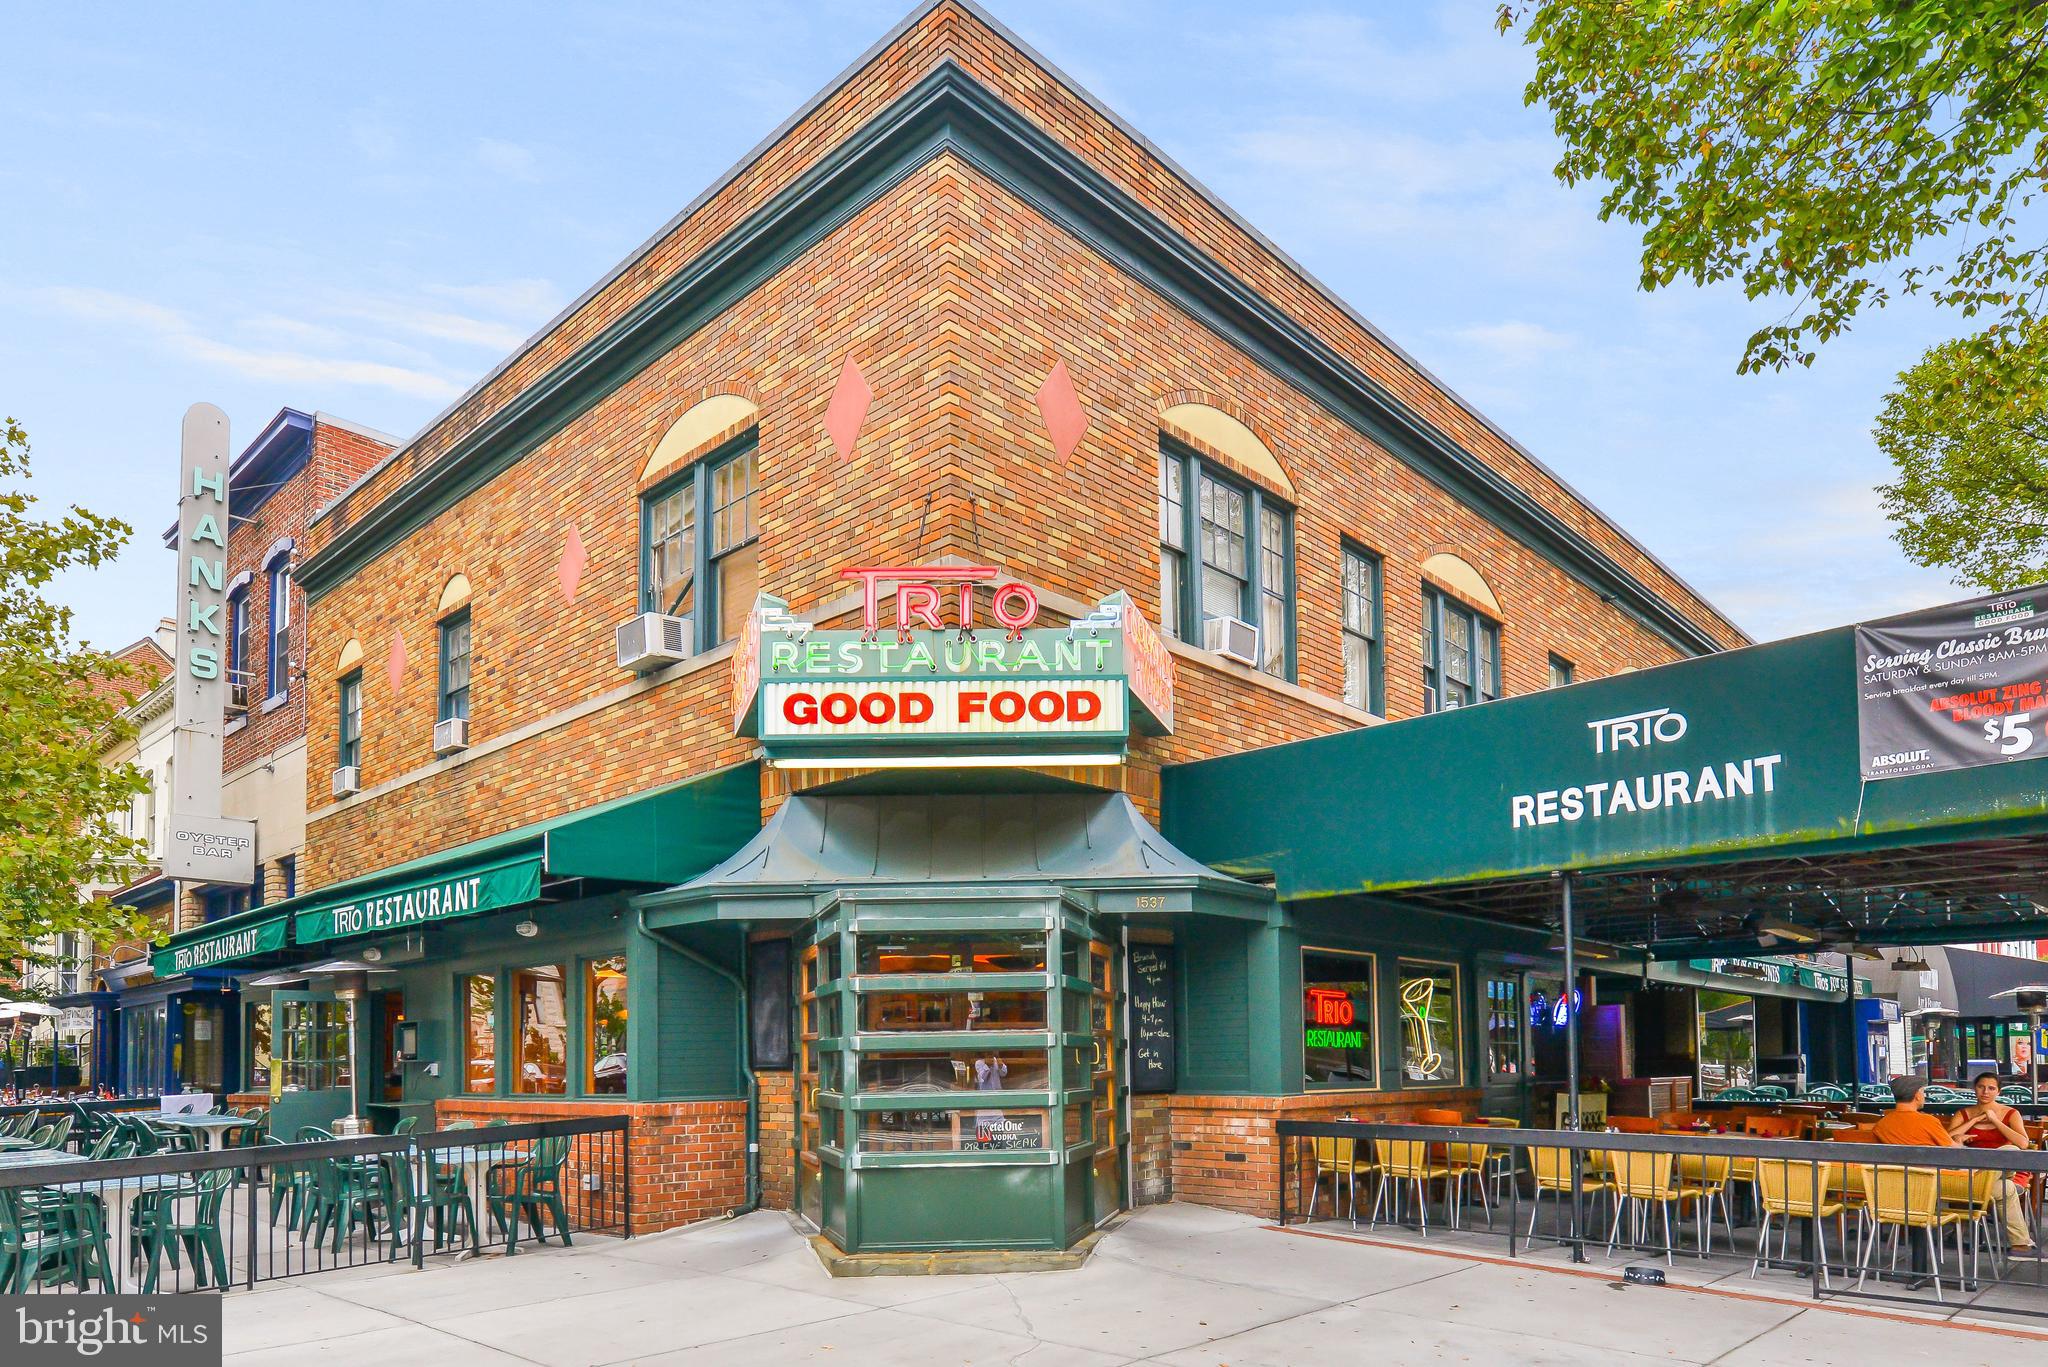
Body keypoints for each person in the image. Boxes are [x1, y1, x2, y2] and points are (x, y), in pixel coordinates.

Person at [1875, 1074, 2037, 1256]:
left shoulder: (1881, 1125)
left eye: (1991, 1088)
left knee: (2005, 1188)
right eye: (1923, 1092)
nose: (1925, 1096)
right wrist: (1960, 1142)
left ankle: (2021, 1245)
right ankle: (2004, 1176)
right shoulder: (1927, 1121)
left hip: (1916, 1185)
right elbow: (1953, 1152)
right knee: (2010, 1152)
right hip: (1949, 1182)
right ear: (1917, 1095)